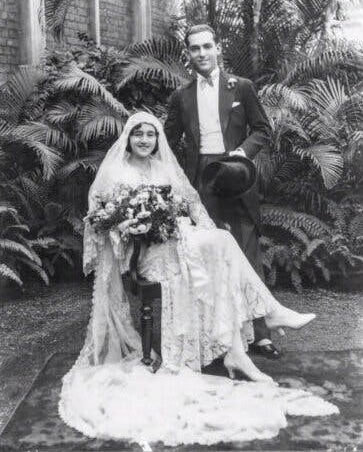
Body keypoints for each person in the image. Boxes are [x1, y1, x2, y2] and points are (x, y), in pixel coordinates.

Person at [58, 112, 338, 446]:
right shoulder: (116, 172)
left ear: (158, 139)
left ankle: (237, 349)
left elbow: (192, 202)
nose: (145, 140)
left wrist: (202, 225)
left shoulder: (165, 168)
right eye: (138, 135)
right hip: (144, 252)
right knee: (221, 245)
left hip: (179, 239)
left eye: (151, 135)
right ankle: (265, 317)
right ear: (129, 139)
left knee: (219, 244)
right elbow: (97, 221)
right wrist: (127, 227)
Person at [164, 24, 279, 359]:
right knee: (207, 256)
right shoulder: (181, 96)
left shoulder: (240, 87)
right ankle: (218, 336)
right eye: (194, 48)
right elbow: (168, 138)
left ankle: (261, 335)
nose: (201, 53)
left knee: (246, 252)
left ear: (217, 48)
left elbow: (262, 129)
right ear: (187, 54)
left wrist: (242, 154)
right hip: (201, 182)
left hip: (237, 177)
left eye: (206, 47)